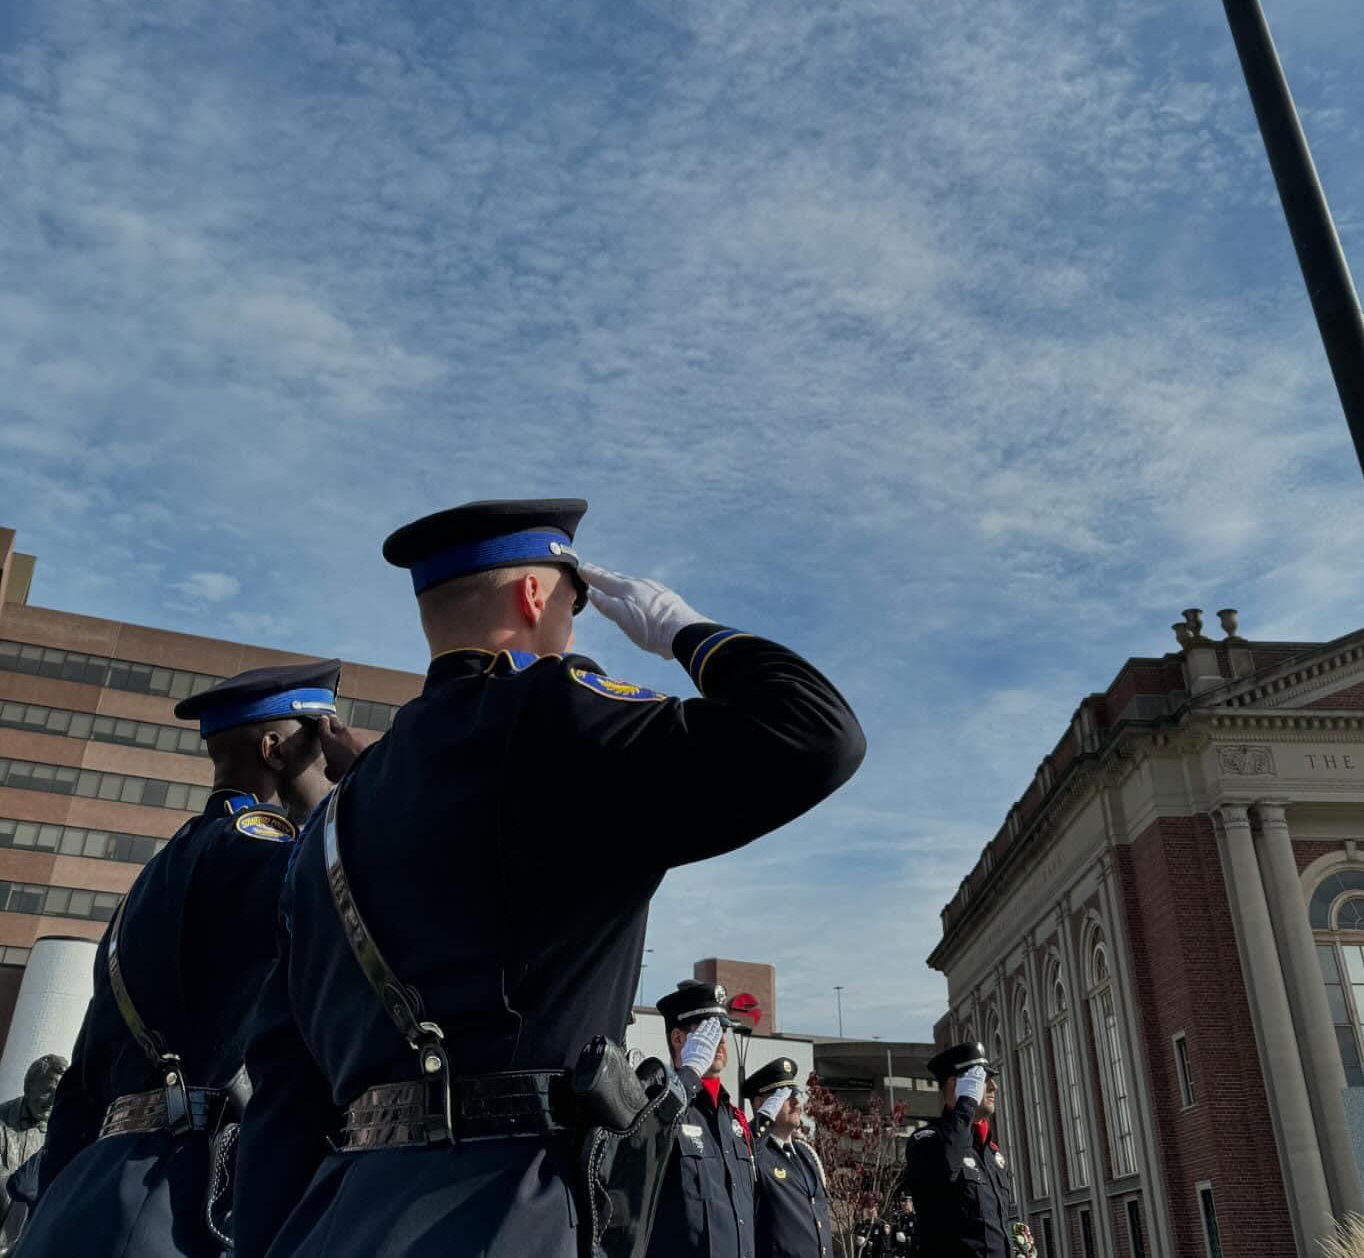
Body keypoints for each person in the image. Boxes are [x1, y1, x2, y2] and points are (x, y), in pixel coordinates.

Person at [233, 497, 866, 1258]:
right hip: (515, 1214)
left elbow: (281, 1088)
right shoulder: (554, 717)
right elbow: (815, 733)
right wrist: (684, 632)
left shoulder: (331, 824)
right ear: (535, 596)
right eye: (578, 602)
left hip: (339, 1220)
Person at [20, 660, 351, 1258]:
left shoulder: (150, 881)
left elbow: (80, 1082)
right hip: (183, 1201)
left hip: (91, 1191)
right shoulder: (259, 853)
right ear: (276, 750)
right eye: (319, 739)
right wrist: (350, 787)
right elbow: (351, 881)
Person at [648, 979, 755, 1257]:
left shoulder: (734, 1120)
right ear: (678, 1038)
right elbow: (640, 1148)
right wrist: (690, 1074)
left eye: (721, 1029)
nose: (720, 1038)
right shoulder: (657, 1103)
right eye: (707, 1030)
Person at [904, 1043, 1033, 1258]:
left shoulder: (990, 1151)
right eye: (983, 1079)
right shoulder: (927, 1141)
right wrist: (966, 1106)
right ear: (956, 1086)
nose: (994, 1087)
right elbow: (945, 1170)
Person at [745, 1055, 833, 1258]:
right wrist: (761, 1121)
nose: (795, 1102)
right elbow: (743, 1148)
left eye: (795, 1093)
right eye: (784, 1096)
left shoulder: (806, 1155)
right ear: (760, 1103)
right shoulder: (755, 1153)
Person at [0, 1055, 66, 1190]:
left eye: (58, 1094)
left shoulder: (58, 1130)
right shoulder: (3, 1120)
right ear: (28, 1088)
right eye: (48, 1091)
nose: (52, 1101)